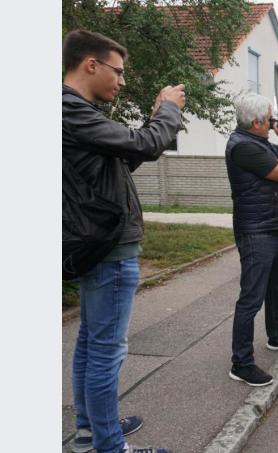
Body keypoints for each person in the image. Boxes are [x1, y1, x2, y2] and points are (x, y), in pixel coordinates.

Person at [63, 29, 185, 453]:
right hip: (109, 248)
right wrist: (168, 111)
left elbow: (123, 158)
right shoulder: (70, 109)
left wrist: (156, 122)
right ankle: (110, 446)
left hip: (98, 243)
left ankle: (90, 432)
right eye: (117, 71)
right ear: (90, 64)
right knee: (105, 351)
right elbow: (145, 145)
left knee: (91, 344)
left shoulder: (76, 113)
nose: (122, 80)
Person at [225, 93, 278, 387]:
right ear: (257, 122)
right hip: (256, 232)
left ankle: (277, 335)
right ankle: (241, 363)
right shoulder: (243, 146)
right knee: (251, 298)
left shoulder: (257, 142)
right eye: (270, 118)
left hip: (274, 227)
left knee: (276, 289)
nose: (274, 122)